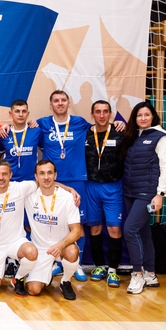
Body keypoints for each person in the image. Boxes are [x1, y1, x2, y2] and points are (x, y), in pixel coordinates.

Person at [36, 90, 97, 281]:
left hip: (77, 179)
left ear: (69, 103)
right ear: (51, 105)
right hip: (51, 180)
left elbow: (100, 127)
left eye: (63, 100)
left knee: (78, 223)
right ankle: (58, 262)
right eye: (56, 100)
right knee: (54, 220)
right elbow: (25, 131)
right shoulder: (42, 124)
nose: (60, 103)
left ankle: (76, 263)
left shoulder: (80, 122)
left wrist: (117, 124)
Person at [120, 101, 166, 295]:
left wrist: (160, 195)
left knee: (130, 229)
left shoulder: (162, 137)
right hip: (129, 192)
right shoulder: (132, 135)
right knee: (143, 231)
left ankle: (137, 274)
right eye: (139, 115)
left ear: (153, 116)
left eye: (146, 115)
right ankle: (150, 273)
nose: (143, 118)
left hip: (147, 195)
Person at [0, 159, 41, 300]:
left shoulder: (19, 188)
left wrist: (69, 189)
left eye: (4, 174)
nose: (1, 178)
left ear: (10, 174)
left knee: (32, 252)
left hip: (15, 242)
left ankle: (18, 277)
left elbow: (44, 182)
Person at [24, 160, 83, 300]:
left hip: (61, 247)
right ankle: (47, 275)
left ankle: (65, 281)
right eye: (42, 173)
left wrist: (60, 245)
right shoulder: (28, 195)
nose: (46, 177)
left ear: (55, 175)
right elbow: (5, 186)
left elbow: (77, 231)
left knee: (72, 251)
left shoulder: (67, 198)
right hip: (40, 249)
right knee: (33, 290)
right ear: (36, 177)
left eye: (50, 173)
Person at [84, 100, 125, 287]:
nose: (101, 115)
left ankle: (113, 270)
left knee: (114, 229)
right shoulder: (85, 133)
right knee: (95, 228)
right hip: (91, 186)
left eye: (105, 111)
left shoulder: (120, 132)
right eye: (98, 111)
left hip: (113, 187)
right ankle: (99, 266)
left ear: (111, 114)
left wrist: (123, 124)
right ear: (92, 114)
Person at [0, 99, 40, 182]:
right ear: (11, 114)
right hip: (10, 181)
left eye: (24, 111)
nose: (21, 114)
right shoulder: (4, 133)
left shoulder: (36, 131)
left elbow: (44, 149)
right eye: (17, 111)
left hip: (31, 180)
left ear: (28, 114)